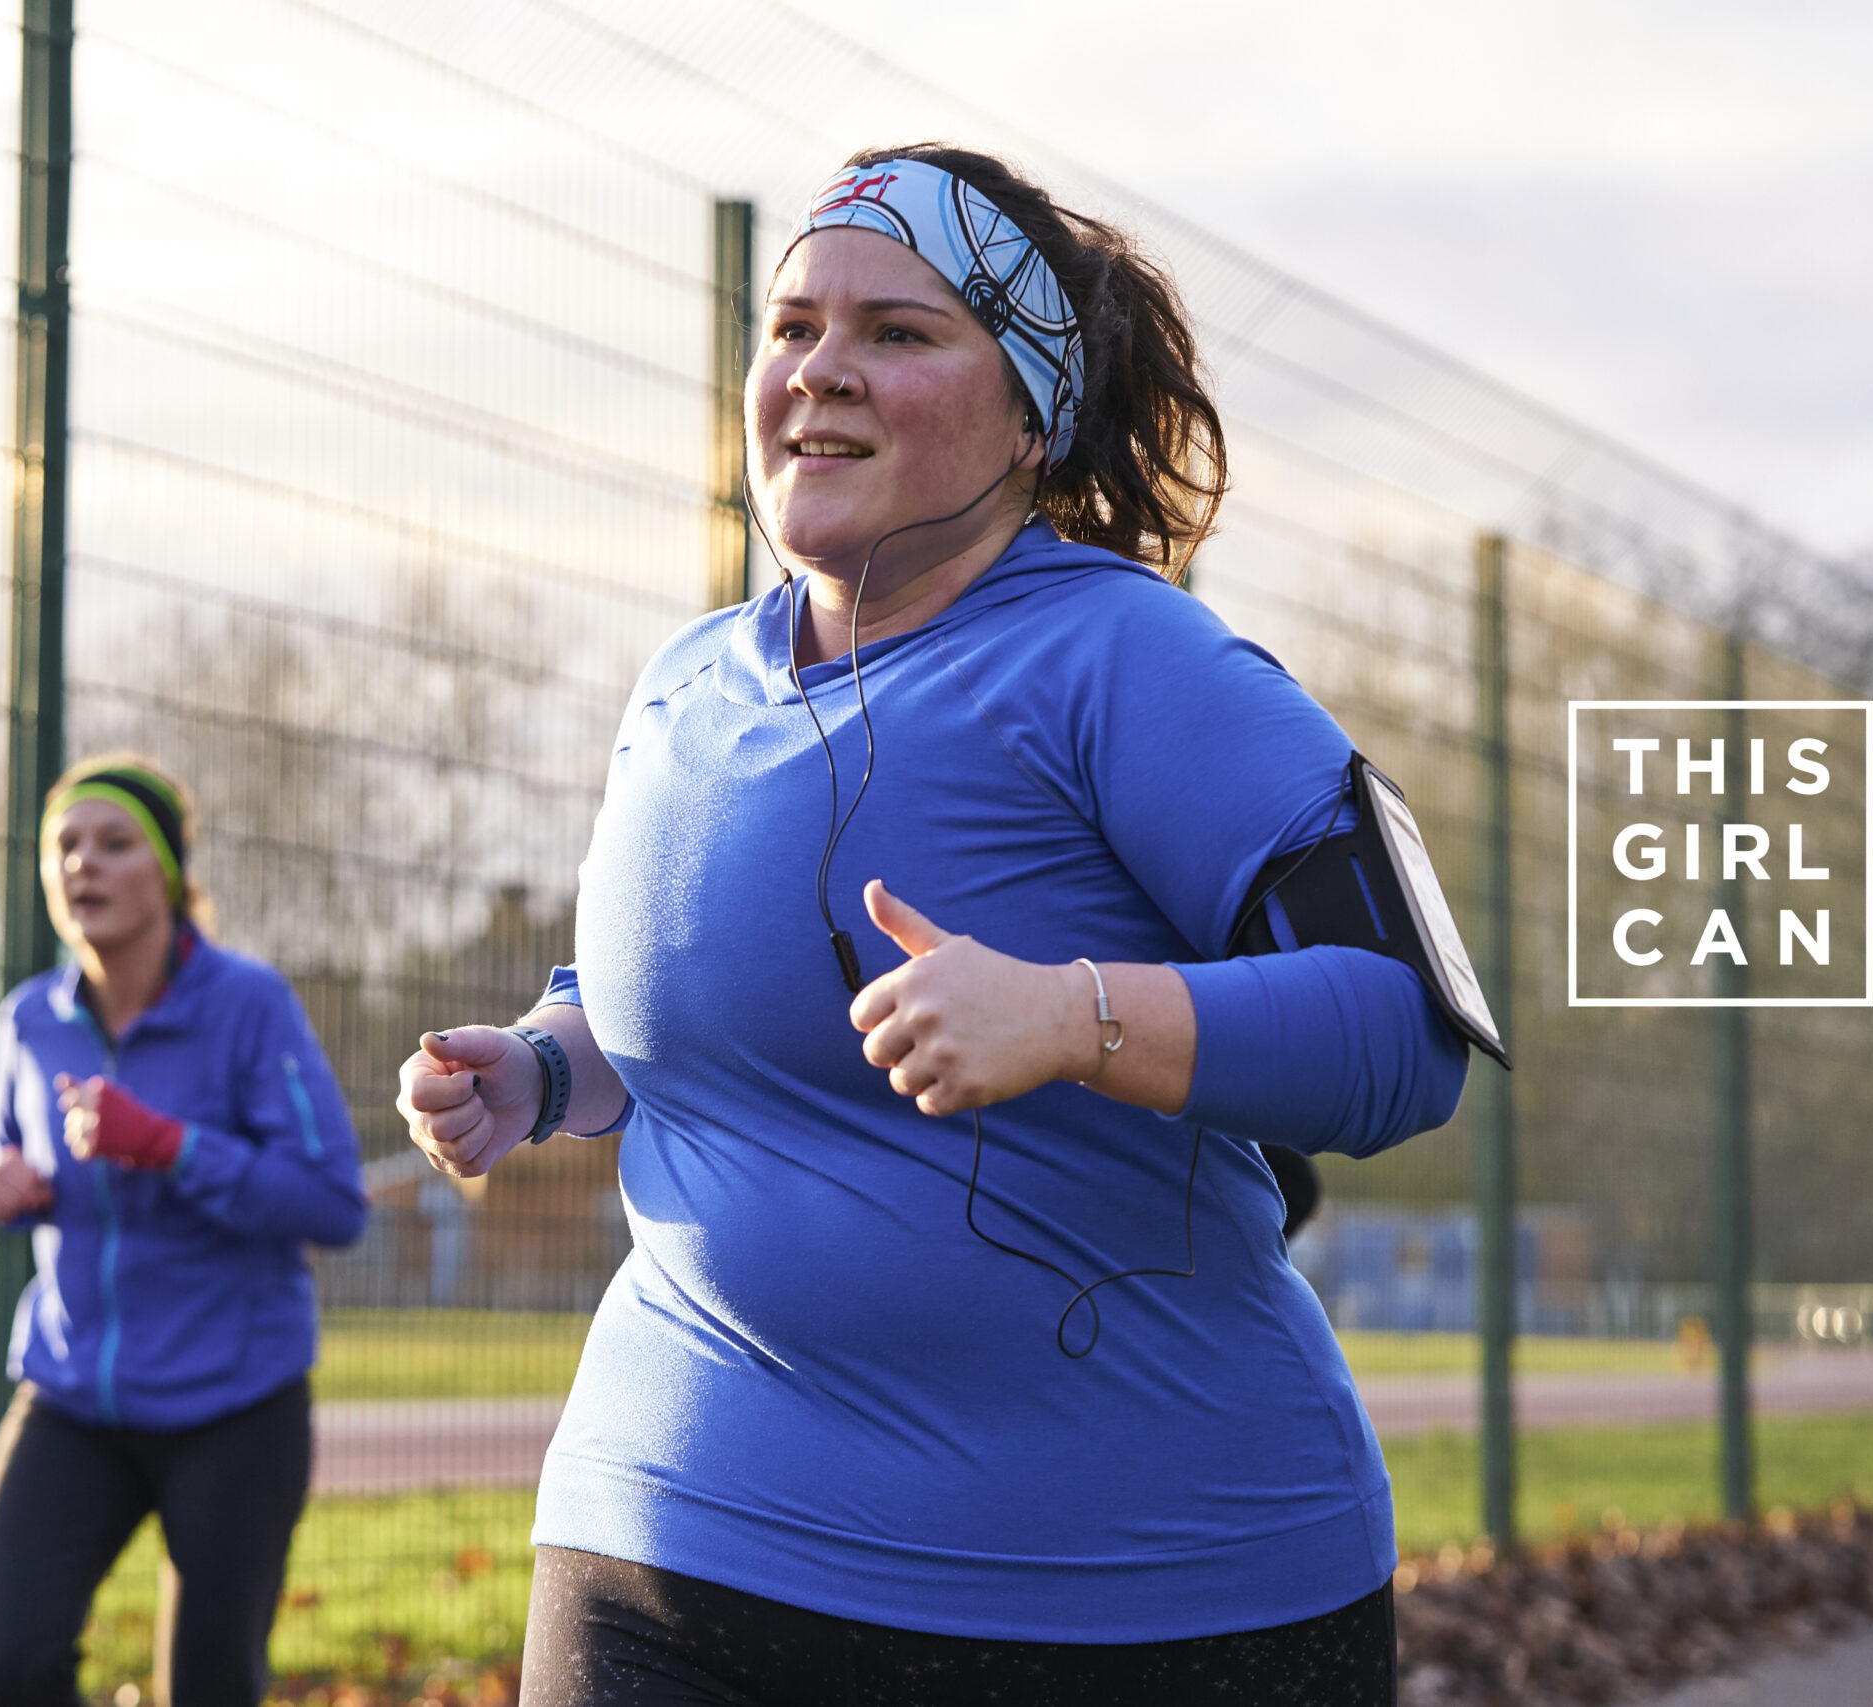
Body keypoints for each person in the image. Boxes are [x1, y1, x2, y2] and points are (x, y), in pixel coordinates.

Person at [397, 145, 1471, 1706]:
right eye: (793, 330)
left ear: (1034, 410)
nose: (823, 370)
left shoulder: (1140, 664)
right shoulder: (681, 684)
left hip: (1139, 1592)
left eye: (899, 332)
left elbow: (1406, 1031)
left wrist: (1077, 1015)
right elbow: (676, 1002)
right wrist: (546, 1063)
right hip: (670, 1539)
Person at [0, 753, 369, 1707]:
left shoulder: (249, 1005)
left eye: (113, 843)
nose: (82, 866)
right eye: (64, 845)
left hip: (233, 1404)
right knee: (4, 1656)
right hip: (73, 1393)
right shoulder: (30, 1020)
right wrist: (1, 1188)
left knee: (209, 1690)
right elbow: (6, 1155)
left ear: (172, 875)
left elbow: (332, 1202)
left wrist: (172, 1146)